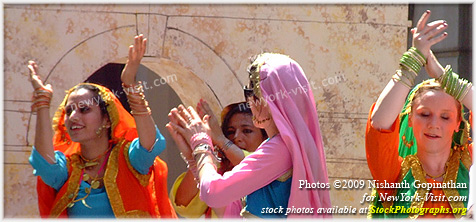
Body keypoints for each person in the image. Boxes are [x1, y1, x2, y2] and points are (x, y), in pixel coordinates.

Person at [28, 35, 177, 218]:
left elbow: (150, 144)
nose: (73, 117)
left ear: (107, 120)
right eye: (69, 111)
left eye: (84, 110)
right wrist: (43, 103)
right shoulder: (67, 169)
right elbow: (44, 164)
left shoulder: (129, 159)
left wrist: (130, 84)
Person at [167, 52, 332, 218]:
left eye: (250, 93)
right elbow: (231, 212)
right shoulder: (286, 147)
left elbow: (214, 193)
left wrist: (201, 143)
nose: (249, 102)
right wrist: (195, 161)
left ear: (265, 99)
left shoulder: (280, 150)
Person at [366, 10, 472, 219]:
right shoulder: (394, 175)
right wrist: (412, 63)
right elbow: (378, 124)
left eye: (445, 117)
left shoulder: (470, 167)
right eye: (424, 114)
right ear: (410, 119)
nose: (434, 124)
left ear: (458, 123)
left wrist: (443, 75)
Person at [167, 100, 267, 218]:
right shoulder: (216, 169)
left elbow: (254, 169)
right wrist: (195, 159)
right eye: (230, 132)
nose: (236, 137)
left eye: (247, 131)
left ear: (265, 137)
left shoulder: (276, 161)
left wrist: (217, 140)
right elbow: (184, 206)